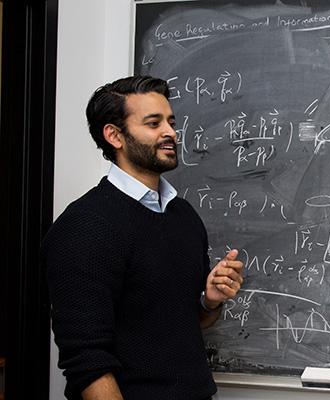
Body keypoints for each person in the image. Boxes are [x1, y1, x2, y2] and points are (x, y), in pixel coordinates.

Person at [41, 75, 245, 400]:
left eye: (170, 121)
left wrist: (210, 300)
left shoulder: (184, 217)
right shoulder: (84, 226)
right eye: (153, 123)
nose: (170, 132)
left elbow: (190, 323)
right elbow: (86, 359)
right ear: (114, 136)